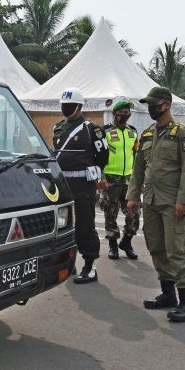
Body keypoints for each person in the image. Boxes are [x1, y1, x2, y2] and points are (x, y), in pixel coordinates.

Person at [126, 87, 185, 322]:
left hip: (172, 203)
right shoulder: (147, 135)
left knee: (176, 250)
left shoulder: (182, 134)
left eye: (154, 104)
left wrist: (183, 200)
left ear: (166, 104)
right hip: (152, 202)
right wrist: (133, 196)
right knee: (155, 246)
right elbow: (138, 170)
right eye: (148, 104)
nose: (150, 108)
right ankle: (169, 295)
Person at [52, 87, 108, 284]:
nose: (66, 109)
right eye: (63, 106)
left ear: (79, 106)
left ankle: (90, 266)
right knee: (63, 226)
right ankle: (68, 263)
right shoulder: (58, 127)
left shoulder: (91, 129)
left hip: (83, 184)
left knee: (85, 225)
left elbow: (103, 156)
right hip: (62, 184)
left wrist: (94, 173)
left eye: (69, 106)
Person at [100, 98, 140, 260]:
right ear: (114, 114)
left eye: (128, 113)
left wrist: (140, 179)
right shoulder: (106, 132)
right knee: (111, 214)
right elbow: (99, 156)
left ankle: (126, 242)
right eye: (123, 113)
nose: (126, 115)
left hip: (130, 180)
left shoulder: (133, 132)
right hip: (111, 180)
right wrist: (102, 177)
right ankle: (113, 246)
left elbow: (137, 156)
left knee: (134, 214)